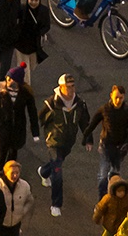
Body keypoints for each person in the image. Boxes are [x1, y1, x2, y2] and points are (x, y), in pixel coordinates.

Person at [39, 73, 90, 217]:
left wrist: (88, 139)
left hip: (68, 142)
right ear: (60, 87)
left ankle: (43, 172)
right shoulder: (51, 104)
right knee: (57, 172)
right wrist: (49, 133)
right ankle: (56, 204)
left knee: (56, 164)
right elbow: (42, 119)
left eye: (73, 86)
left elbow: (85, 122)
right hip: (54, 143)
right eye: (68, 87)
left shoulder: (79, 103)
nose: (71, 89)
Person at [84, 85, 128, 200]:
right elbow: (92, 124)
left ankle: (112, 201)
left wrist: (127, 143)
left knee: (114, 175)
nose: (118, 100)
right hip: (105, 146)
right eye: (116, 97)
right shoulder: (105, 109)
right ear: (111, 96)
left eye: (121, 98)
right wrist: (87, 139)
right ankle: (102, 200)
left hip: (120, 149)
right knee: (103, 175)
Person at [0, 63, 40, 167]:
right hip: (2, 128)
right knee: (2, 153)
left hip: (18, 129)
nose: (9, 82)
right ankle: (0, 172)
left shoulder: (26, 94)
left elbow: (32, 112)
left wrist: (35, 132)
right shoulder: (0, 91)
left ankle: (10, 172)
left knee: (13, 152)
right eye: (8, 79)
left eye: (12, 79)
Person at [12, 0, 50, 88]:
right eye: (31, 0)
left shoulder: (44, 10)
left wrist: (40, 33)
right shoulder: (22, 9)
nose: (33, 2)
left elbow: (47, 26)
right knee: (25, 68)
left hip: (34, 43)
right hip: (21, 42)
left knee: (32, 65)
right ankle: (25, 88)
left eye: (36, 0)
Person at [0, 160, 34, 236]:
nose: (15, 176)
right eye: (12, 173)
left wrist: (23, 212)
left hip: (16, 224)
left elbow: (30, 200)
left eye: (17, 173)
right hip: (1, 225)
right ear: (5, 172)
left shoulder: (24, 186)